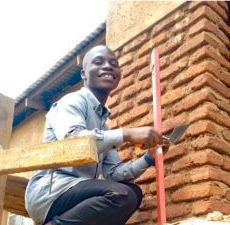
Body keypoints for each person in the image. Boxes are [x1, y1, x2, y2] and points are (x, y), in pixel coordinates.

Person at [25, 45, 169, 225]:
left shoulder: (103, 126)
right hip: (50, 193)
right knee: (121, 195)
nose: (108, 66)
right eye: (98, 62)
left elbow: (114, 174)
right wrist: (127, 134)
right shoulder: (72, 101)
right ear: (84, 74)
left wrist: (148, 158)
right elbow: (74, 141)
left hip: (78, 193)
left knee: (133, 193)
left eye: (114, 64)